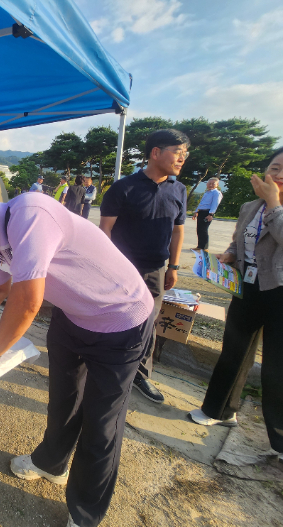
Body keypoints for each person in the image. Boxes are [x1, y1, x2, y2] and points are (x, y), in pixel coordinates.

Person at [0, 187, 153, 527]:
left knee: (101, 424)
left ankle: (84, 515)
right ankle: (51, 463)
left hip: (120, 320)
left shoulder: (30, 215)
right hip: (72, 316)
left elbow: (28, 302)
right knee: (64, 400)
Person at [189, 147, 283, 464]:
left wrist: (274, 204)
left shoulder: (270, 206)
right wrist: (230, 254)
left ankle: (279, 441)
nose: (279, 174)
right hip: (247, 286)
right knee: (233, 350)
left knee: (276, 367)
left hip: (280, 292)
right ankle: (218, 411)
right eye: (275, 167)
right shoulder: (248, 206)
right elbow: (240, 239)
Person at [99, 129, 189, 404]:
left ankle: (139, 374)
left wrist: (173, 266)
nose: (182, 159)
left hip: (155, 270)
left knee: (148, 323)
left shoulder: (178, 190)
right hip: (122, 269)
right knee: (112, 317)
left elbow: (177, 231)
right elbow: (105, 230)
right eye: (177, 152)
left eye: (185, 154)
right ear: (155, 153)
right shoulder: (123, 188)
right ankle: (103, 365)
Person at [192, 178, 223, 251]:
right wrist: (196, 211)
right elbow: (201, 203)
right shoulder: (207, 192)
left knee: (204, 229)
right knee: (199, 229)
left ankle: (205, 248)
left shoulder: (216, 193)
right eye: (209, 183)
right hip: (201, 212)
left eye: (213, 183)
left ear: (217, 185)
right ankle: (200, 246)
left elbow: (215, 204)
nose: (211, 185)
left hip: (207, 212)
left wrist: (211, 214)